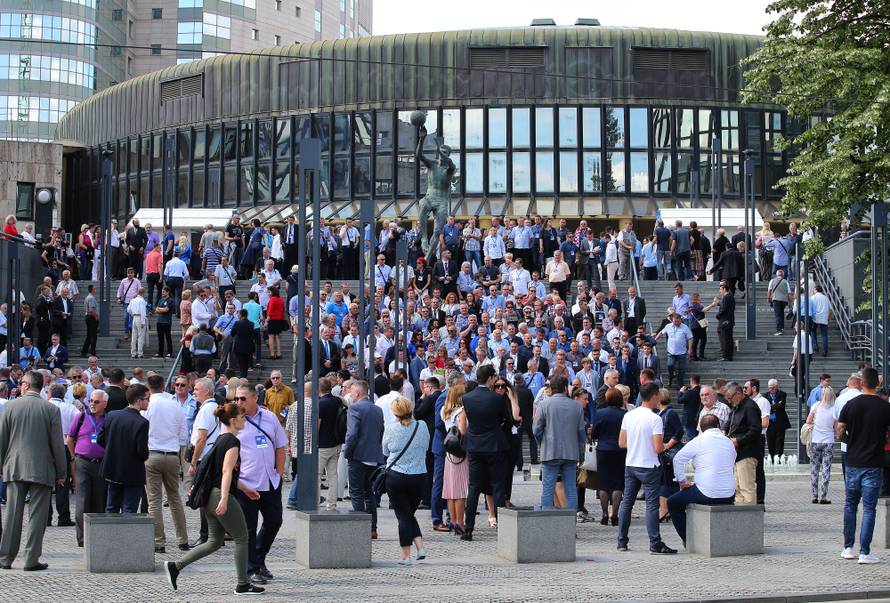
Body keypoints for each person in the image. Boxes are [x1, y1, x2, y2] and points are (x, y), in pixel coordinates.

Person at [165, 402, 264, 596]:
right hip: (219, 495)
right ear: (234, 420)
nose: (245, 420)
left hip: (209, 496)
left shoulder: (220, 440)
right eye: (242, 417)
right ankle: (243, 584)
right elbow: (227, 472)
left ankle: (175, 566)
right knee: (242, 537)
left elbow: (223, 473)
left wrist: (245, 489)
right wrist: (225, 499)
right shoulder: (233, 442)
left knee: (214, 541)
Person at [0, 370, 67, 570]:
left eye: (21, 382)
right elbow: (57, 444)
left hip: (14, 466)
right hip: (42, 468)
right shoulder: (51, 409)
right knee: (37, 517)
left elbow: (2, 438)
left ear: (27, 385)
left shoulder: (10, 406)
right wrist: (62, 473)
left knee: (12, 514)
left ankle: (5, 558)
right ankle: (31, 559)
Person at [233, 383, 287, 585]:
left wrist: (279, 474)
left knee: (275, 521)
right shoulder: (233, 420)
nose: (238, 402)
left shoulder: (269, 417)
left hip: (270, 481)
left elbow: (281, 446)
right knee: (248, 527)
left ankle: (259, 557)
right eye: (236, 399)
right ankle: (251, 568)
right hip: (246, 484)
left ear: (255, 398)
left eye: (242, 399)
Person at [836, 367, 890, 564]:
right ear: (877, 383)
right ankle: (865, 552)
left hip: (852, 461)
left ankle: (848, 548)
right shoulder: (884, 407)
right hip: (874, 462)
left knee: (850, 505)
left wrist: (851, 441)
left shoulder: (851, 404)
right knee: (869, 508)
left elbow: (839, 431)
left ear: (861, 383)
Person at [616, 382, 676, 554]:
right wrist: (666, 445)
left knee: (627, 503)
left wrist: (636, 444)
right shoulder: (655, 418)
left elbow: (621, 443)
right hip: (649, 465)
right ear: (655, 396)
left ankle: (622, 541)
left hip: (631, 463)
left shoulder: (629, 415)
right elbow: (658, 448)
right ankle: (655, 542)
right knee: (651, 505)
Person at [666, 414, 737, 547]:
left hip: (706, 492)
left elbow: (678, 459)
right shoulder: (728, 441)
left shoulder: (698, 441)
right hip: (729, 493)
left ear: (701, 428)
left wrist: (682, 481)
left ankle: (688, 539)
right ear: (718, 426)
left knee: (673, 503)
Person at [460, 364, 511, 541]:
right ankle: (502, 528)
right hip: (494, 445)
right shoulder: (496, 398)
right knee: (497, 486)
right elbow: (506, 418)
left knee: (473, 487)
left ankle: (469, 528)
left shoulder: (467, 398)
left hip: (475, 445)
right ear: (490, 379)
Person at [144, 374, 190, 553]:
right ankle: (183, 539)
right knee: (175, 498)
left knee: (154, 500)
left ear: (149, 388)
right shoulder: (175, 405)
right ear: (164, 386)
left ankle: (159, 541)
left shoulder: (147, 406)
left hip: (152, 453)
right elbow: (183, 436)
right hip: (171, 455)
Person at [383, 396, 430, 566]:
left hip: (396, 476)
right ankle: (421, 548)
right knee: (408, 513)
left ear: (395, 413)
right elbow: (426, 446)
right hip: (419, 476)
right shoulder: (422, 425)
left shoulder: (390, 428)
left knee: (403, 516)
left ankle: (406, 555)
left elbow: (385, 450)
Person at [533, 374, 585, 511]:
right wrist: (581, 454)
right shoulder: (577, 407)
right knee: (571, 489)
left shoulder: (543, 405)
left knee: (548, 488)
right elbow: (581, 434)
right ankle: (570, 524)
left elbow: (536, 430)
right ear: (565, 388)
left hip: (550, 452)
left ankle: (547, 524)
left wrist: (542, 443)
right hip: (571, 453)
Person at [343, 380, 385, 538]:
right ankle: (372, 528)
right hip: (373, 456)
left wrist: (348, 452)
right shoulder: (377, 409)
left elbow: (352, 434)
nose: (351, 395)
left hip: (358, 456)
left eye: (352, 392)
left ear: (358, 393)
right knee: (370, 493)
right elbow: (381, 431)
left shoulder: (355, 408)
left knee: (356, 492)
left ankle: (360, 528)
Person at [723, 381, 761, 505]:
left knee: (746, 487)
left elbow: (755, 430)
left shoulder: (750, 406)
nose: (729, 401)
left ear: (738, 394)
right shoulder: (736, 407)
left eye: (730, 398)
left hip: (747, 453)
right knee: (738, 488)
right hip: (737, 454)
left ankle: (749, 520)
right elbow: (730, 424)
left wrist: (738, 440)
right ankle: (740, 519)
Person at [593, 387, 627, 525]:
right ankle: (615, 515)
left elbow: (595, 433)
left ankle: (604, 514)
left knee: (603, 483)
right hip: (619, 450)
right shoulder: (625, 414)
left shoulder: (600, 413)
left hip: (603, 450)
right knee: (618, 483)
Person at [441, 382, 468, 534]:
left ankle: (452, 520)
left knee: (450, 489)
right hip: (460, 452)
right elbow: (463, 431)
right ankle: (459, 521)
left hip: (449, 452)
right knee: (460, 489)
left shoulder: (445, 411)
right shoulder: (462, 412)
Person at [657, 389, 683, 522]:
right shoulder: (661, 413)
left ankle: (665, 509)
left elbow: (679, 431)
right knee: (665, 480)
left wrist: (668, 444)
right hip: (663, 452)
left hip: (669, 452)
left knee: (666, 480)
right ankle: (665, 509)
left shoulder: (670, 413)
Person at [806, 386, 836, 504]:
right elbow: (836, 426)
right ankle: (823, 496)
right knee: (826, 469)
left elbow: (808, 421)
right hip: (828, 441)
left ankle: (814, 495)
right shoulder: (834, 408)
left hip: (815, 440)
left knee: (814, 468)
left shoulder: (816, 406)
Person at [316, 378, 341, 511]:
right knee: (333, 476)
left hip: (322, 445)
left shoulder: (321, 403)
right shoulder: (337, 400)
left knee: (317, 475)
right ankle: (331, 504)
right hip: (336, 443)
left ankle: (314, 502)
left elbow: (317, 426)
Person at [654, 313, 693, 388]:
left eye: (678, 321)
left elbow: (690, 338)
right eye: (675, 321)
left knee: (681, 369)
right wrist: (655, 340)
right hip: (671, 352)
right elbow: (661, 333)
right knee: (670, 365)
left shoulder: (685, 327)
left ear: (681, 320)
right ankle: (671, 377)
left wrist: (690, 349)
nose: (677, 323)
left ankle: (680, 384)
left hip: (682, 352)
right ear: (672, 320)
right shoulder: (668, 326)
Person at [765, 379, 790, 458]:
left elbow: (781, 407)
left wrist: (771, 407)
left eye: (772, 388)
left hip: (780, 422)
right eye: (769, 388)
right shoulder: (765, 395)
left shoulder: (782, 394)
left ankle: (778, 457)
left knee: (780, 441)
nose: (771, 390)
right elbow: (765, 407)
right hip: (770, 422)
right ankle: (771, 457)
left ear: (776, 387)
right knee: (770, 440)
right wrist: (775, 406)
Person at [767, 269, 791, 336]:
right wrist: (790, 303)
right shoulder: (786, 282)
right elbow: (789, 293)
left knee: (777, 315)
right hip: (784, 300)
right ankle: (782, 327)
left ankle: (779, 329)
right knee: (781, 313)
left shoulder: (772, 281)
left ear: (776, 275)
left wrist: (768, 298)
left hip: (776, 299)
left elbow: (769, 290)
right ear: (783, 275)